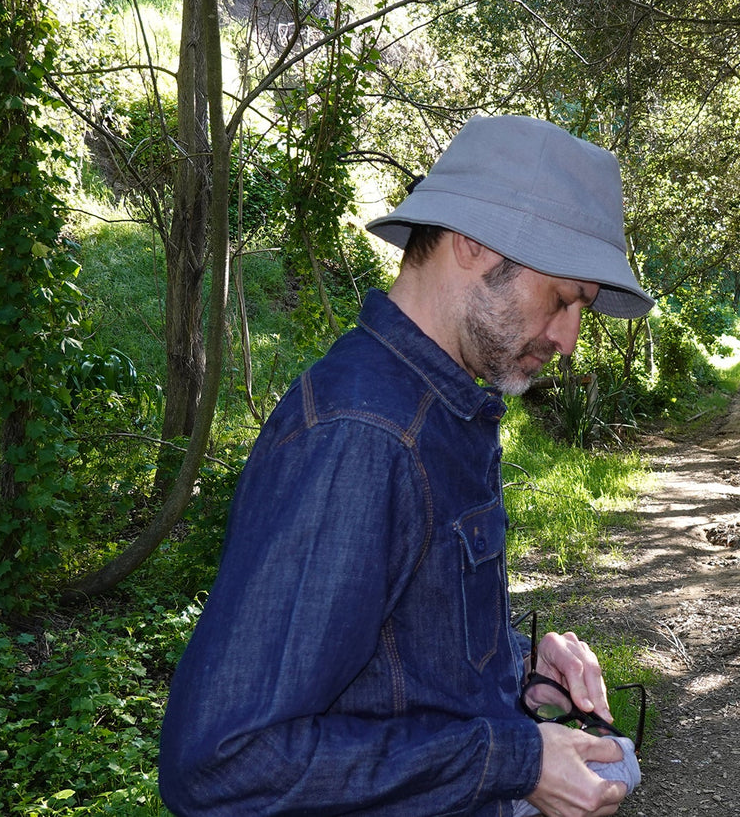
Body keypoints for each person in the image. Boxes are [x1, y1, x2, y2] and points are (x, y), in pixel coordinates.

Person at [159, 114, 655, 817]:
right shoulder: (364, 438)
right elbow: (224, 763)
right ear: (475, 243)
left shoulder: (442, 410)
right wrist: (516, 760)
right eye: (563, 299)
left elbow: (399, 655)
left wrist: (519, 668)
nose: (569, 338)